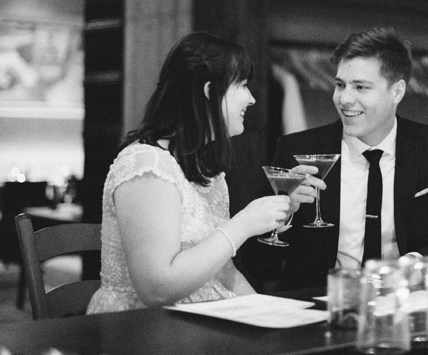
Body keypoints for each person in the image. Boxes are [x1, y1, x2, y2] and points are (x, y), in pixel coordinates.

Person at [240, 27, 428, 291]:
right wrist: (284, 218)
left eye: (361, 87)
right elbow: (259, 266)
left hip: (401, 306)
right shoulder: (298, 151)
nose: (345, 99)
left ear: (397, 91)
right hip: (315, 311)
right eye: (340, 85)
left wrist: (414, 264)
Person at [86, 32, 296, 313]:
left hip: (203, 319)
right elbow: (156, 290)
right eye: (242, 86)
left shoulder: (206, 170)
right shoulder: (146, 166)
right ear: (210, 92)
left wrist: (268, 312)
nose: (251, 99)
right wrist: (244, 224)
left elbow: (224, 272)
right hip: (141, 328)